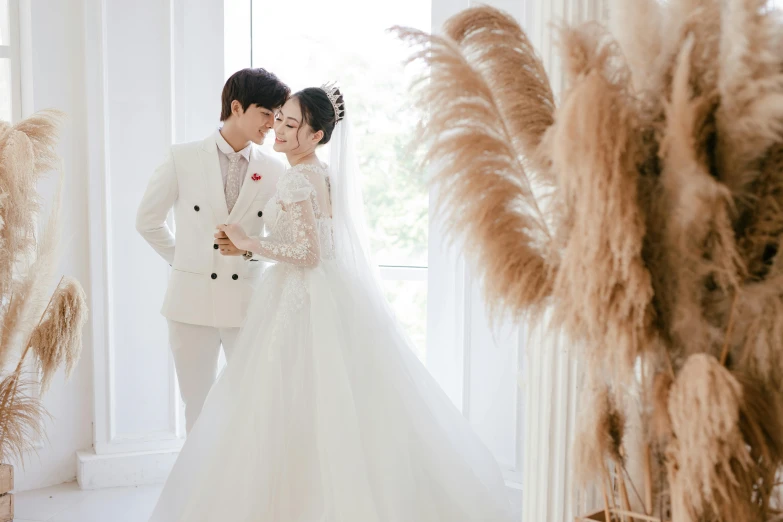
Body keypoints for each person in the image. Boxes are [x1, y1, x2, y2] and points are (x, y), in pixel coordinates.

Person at [148, 84, 515, 522]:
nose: (279, 130)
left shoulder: (297, 178)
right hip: (324, 294)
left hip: (300, 298)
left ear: (317, 135)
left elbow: (308, 254)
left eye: (290, 124)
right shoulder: (321, 173)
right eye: (278, 119)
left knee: (291, 403)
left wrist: (250, 243)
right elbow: (321, 245)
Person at [136, 68, 290, 433]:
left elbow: (282, 242)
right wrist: (187, 262)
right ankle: (197, 489)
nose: (273, 124)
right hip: (191, 304)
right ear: (237, 107)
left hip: (247, 303)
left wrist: (249, 251)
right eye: (266, 113)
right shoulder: (183, 157)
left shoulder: (273, 169)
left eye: (277, 115)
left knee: (250, 405)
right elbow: (147, 221)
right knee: (198, 406)